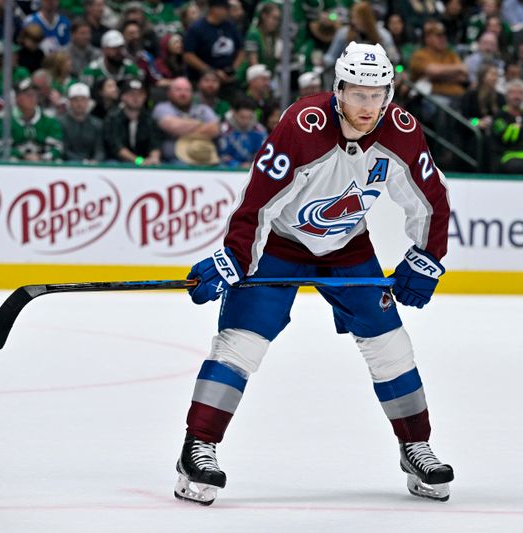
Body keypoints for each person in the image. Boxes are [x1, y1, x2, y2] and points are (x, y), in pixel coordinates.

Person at [173, 42, 454, 506]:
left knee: (391, 346)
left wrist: (427, 257)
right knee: (241, 341)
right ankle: (197, 448)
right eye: (358, 93)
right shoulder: (301, 125)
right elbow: (257, 201)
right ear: (338, 89)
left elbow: (431, 200)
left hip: (347, 247)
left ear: (389, 93)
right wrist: (234, 258)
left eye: (377, 94)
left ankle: (415, 446)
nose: (368, 106)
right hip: (280, 246)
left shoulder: (402, 130)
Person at [152, 76, 220, 163]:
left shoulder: (203, 109)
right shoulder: (162, 108)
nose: (183, 94)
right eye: (178, 90)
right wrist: (199, 123)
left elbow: (214, 129)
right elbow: (173, 126)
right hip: (173, 161)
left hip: (203, 158)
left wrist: (183, 129)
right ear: (169, 93)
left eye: (187, 90)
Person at [0, 77, 63, 161]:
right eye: (28, 95)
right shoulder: (4, 120)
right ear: (17, 98)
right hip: (14, 166)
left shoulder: (49, 120)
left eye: (35, 94)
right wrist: (22, 156)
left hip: (43, 164)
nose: (32, 98)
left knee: (58, 161)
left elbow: (58, 147)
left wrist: (42, 157)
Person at [103, 77, 161, 164]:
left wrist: (154, 158)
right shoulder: (113, 118)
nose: (136, 98)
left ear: (145, 96)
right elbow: (116, 147)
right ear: (123, 96)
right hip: (118, 162)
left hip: (145, 162)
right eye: (131, 94)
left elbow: (155, 144)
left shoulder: (149, 119)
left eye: (140, 94)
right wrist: (138, 161)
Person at [217, 95, 266, 168]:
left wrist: (252, 165)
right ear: (234, 113)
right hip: (228, 170)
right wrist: (238, 165)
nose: (246, 121)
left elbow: (264, 155)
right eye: (242, 117)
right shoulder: (224, 130)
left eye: (249, 117)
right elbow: (222, 155)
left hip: (253, 169)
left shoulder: (259, 131)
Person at [61, 82, 104, 162]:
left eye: (83, 100)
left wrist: (96, 160)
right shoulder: (61, 123)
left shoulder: (97, 124)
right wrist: (81, 162)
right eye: (75, 100)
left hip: (93, 164)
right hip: (69, 164)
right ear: (69, 102)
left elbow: (100, 149)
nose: (79, 103)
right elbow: (64, 149)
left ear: (88, 101)